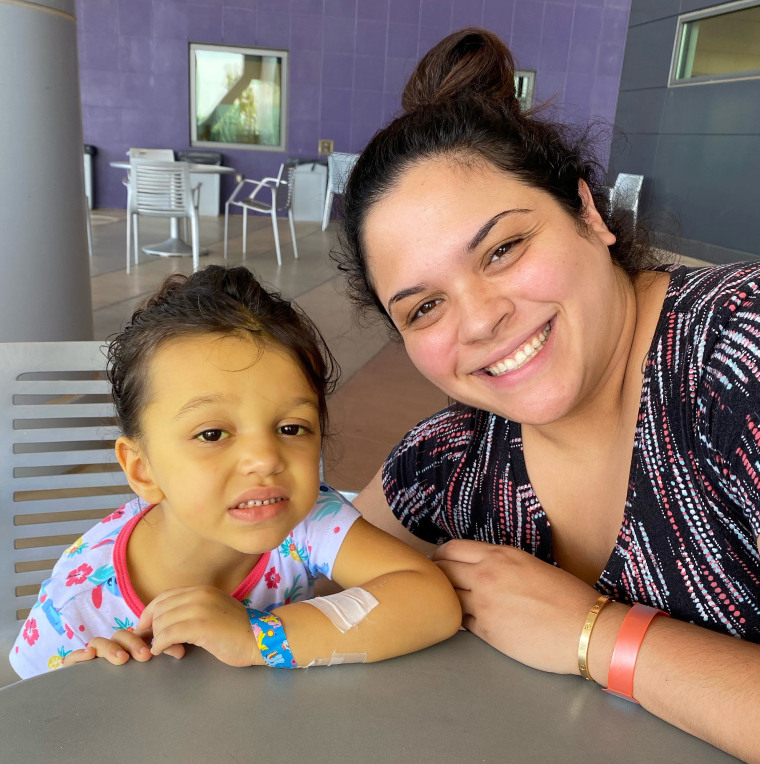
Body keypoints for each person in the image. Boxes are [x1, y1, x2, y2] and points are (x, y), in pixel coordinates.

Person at [334, 27, 760, 762]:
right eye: (424, 308)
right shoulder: (455, 459)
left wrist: (597, 634)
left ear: (588, 216)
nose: (480, 320)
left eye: (503, 249)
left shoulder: (737, 358)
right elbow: (305, 562)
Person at [9, 265, 461, 680]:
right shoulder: (80, 604)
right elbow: (34, 717)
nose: (266, 459)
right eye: (212, 434)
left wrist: (256, 637)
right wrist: (84, 681)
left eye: (291, 427)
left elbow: (431, 602)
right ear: (142, 469)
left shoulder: (305, 522)